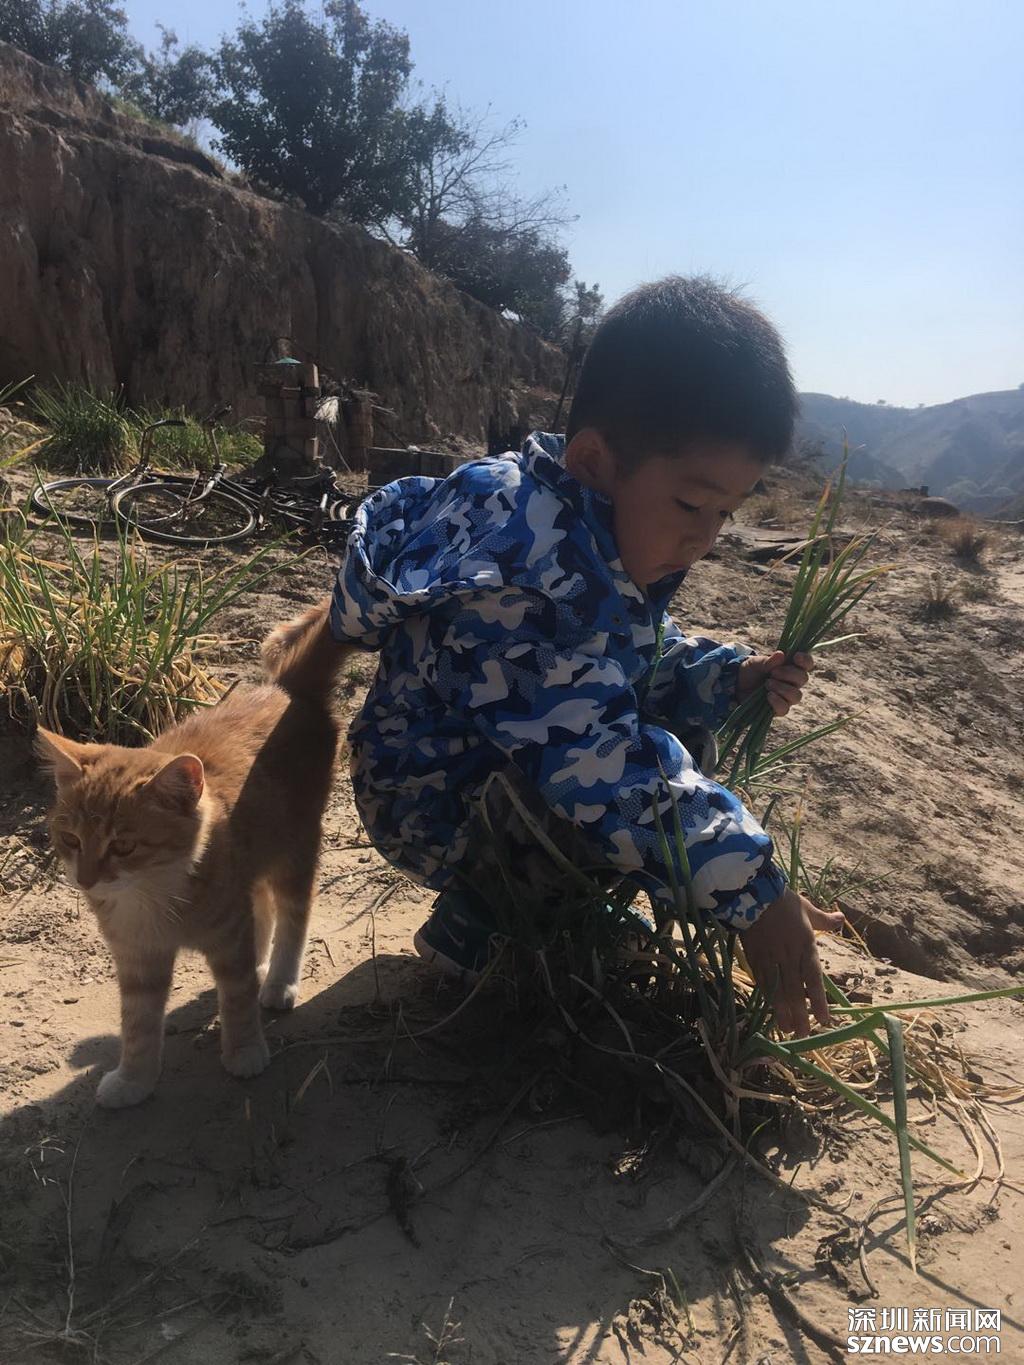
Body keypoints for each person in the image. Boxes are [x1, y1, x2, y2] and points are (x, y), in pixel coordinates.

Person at [330, 275, 844, 1038]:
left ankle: (545, 905)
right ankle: (479, 930)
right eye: (690, 504)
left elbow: (630, 653)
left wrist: (725, 676)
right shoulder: (520, 580)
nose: (704, 538)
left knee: (677, 738)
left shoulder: (583, 524)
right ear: (597, 461)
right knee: (630, 776)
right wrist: (754, 887)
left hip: (497, 756)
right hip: (434, 801)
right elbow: (603, 765)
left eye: (726, 513)